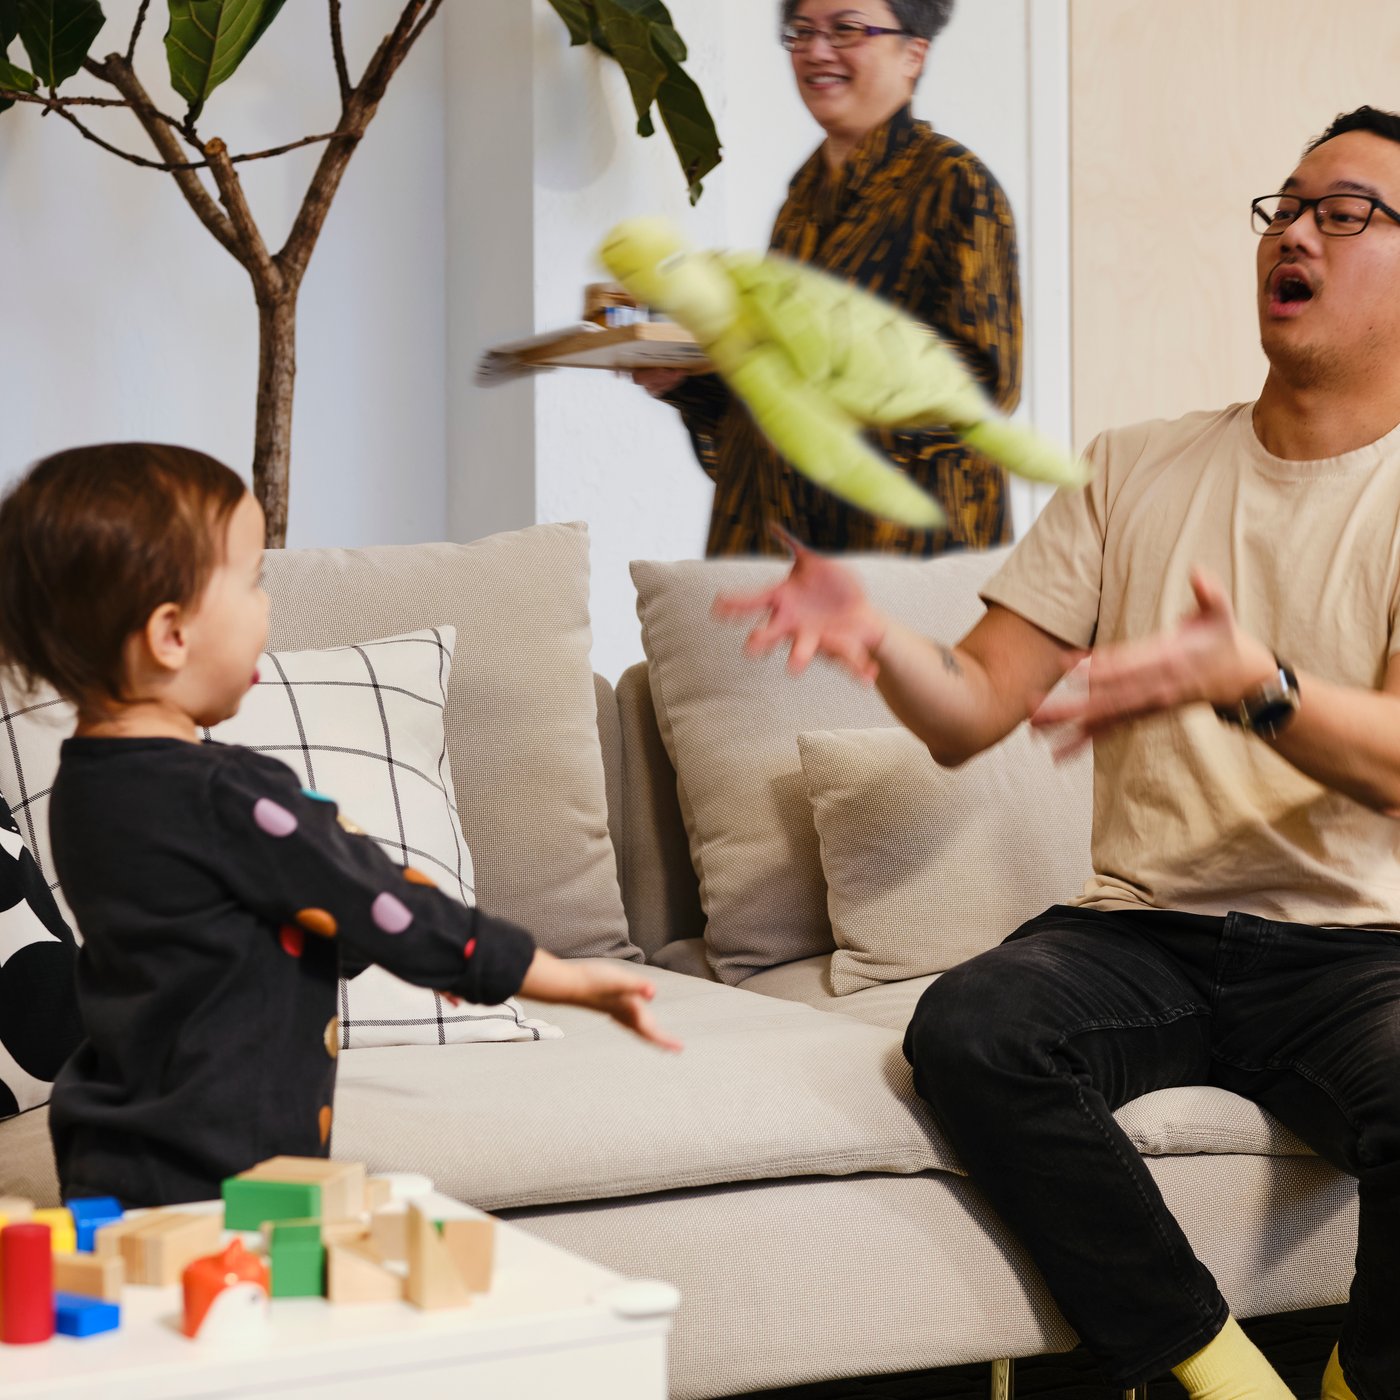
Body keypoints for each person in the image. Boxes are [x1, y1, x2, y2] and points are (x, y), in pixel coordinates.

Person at [715, 106, 1400, 1400]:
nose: (1295, 231)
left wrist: (1255, 684)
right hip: (1146, 931)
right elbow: (974, 707)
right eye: (1286, 206)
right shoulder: (1134, 470)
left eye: (1347, 210)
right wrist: (874, 638)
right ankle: (1212, 1370)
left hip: (1360, 947)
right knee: (972, 1031)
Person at [0, 444, 681, 1209]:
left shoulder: (84, 786)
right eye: (253, 583)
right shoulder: (228, 796)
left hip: (108, 1152)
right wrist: (562, 977)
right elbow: (377, 899)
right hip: (231, 1165)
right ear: (170, 635)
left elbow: (223, 926)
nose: (267, 606)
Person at [636, 0, 1021, 558]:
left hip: (902, 570)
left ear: (914, 52)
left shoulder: (958, 187)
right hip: (778, 563)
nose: (817, 51)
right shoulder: (800, 203)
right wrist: (690, 381)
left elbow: (985, 391)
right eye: (801, 32)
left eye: (846, 29)